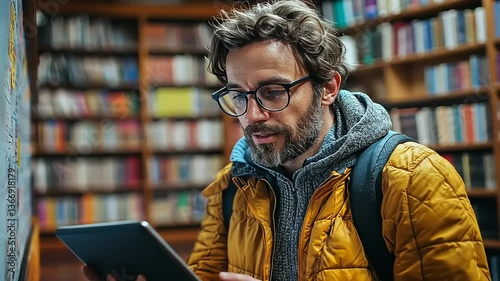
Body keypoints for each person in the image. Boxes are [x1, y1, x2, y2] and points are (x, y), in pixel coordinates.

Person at [83, 0, 491, 280]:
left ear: (328, 87)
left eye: (274, 92)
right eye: (238, 96)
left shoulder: (413, 179)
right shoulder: (233, 184)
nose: (253, 115)